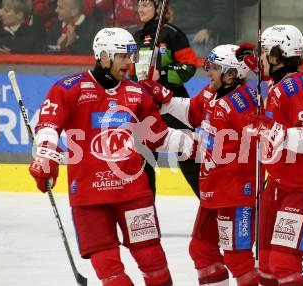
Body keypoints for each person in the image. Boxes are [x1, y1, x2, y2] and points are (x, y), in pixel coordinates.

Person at [28, 27, 195, 286]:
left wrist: (196, 145)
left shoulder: (136, 93)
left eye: (131, 57)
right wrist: (45, 156)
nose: (129, 63)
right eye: (122, 57)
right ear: (103, 56)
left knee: (153, 260)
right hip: (89, 195)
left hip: (133, 192)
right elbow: (48, 126)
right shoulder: (69, 89)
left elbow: (157, 136)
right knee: (109, 268)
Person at [140, 44, 260, 285]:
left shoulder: (241, 102)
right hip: (214, 191)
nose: (209, 72)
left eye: (215, 68)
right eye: (210, 66)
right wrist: (163, 96)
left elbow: (258, 140)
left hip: (234, 193)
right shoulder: (212, 93)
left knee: (238, 258)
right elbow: (193, 110)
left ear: (230, 74)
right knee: (202, 249)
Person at [236, 25, 303, 286]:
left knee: (284, 264)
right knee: (266, 267)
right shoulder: (280, 81)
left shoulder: (297, 87)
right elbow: (271, 77)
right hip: (279, 186)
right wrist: (249, 62)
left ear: (277, 56)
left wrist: (272, 129)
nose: (259, 59)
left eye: (264, 52)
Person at [133, 0, 200, 198]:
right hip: (146, 105)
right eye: (139, 5)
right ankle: (146, 209)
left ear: (158, 9)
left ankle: (209, 205)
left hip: (172, 103)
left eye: (145, 5)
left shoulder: (172, 33)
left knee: (187, 153)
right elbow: (130, 71)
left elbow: (189, 66)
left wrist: (161, 74)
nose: (140, 9)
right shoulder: (137, 36)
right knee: (144, 157)